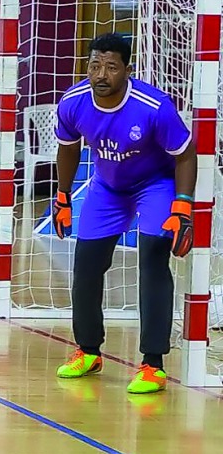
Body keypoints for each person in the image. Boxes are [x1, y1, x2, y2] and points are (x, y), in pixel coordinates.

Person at [50, 32, 195, 394]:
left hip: (155, 185)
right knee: (85, 264)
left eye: (111, 67)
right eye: (94, 65)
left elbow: (186, 154)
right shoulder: (73, 103)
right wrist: (63, 195)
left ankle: (153, 364)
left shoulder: (154, 106)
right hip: (108, 187)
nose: (101, 74)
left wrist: (183, 204)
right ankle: (88, 351)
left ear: (127, 70)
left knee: (152, 258)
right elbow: (68, 150)